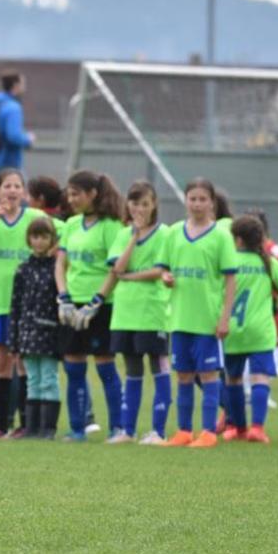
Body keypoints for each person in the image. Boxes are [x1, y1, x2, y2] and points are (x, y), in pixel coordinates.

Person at [155, 177, 238, 448]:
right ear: (186, 200)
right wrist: (166, 277)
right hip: (179, 318)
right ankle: (183, 431)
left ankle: (209, 432)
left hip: (207, 320)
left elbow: (230, 280)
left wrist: (225, 317)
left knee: (209, 374)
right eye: (193, 198)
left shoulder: (221, 236)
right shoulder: (174, 232)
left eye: (203, 199)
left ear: (212, 202)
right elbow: (164, 269)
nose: (197, 204)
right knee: (184, 376)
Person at [0, 169, 45, 438]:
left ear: (24, 192)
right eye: (7, 186)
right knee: (2, 361)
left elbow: (57, 240)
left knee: (24, 361)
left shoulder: (36, 218)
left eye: (17, 186)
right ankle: (0, 424)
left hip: (29, 304)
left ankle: (26, 424)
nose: (12, 191)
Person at [55, 171, 125, 442]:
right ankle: (77, 429)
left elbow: (115, 268)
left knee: (105, 365)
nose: (71, 199)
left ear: (92, 194)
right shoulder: (71, 224)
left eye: (76, 194)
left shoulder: (111, 226)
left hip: (101, 306)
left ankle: (117, 428)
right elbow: (60, 263)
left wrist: (97, 300)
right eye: (69, 194)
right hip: (73, 304)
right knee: (73, 366)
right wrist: (64, 297)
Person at [102, 181, 172, 445]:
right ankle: (127, 430)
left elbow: (159, 269)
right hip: (125, 312)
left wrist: (131, 276)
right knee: (132, 368)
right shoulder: (123, 234)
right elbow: (117, 269)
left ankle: (158, 431)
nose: (139, 208)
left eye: (145, 203)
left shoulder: (164, 234)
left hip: (152, 310)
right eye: (134, 203)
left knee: (158, 365)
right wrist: (134, 236)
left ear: (154, 204)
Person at [222, 215, 278, 444]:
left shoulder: (228, 260)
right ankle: (257, 429)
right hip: (261, 331)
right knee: (260, 378)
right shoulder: (270, 264)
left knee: (232, 380)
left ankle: (238, 428)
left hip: (232, 329)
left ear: (238, 240)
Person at [8, 218, 62, 439]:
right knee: (32, 380)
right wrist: (14, 340)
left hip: (49, 334)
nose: (39, 242)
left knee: (49, 379)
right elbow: (15, 306)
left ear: (52, 240)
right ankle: (32, 427)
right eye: (36, 237)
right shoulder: (23, 270)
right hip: (27, 334)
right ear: (29, 239)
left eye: (44, 237)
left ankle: (48, 428)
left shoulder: (56, 269)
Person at [0, 69, 35, 194]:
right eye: (22, 84)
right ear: (15, 85)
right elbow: (13, 136)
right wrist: (28, 139)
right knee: (21, 196)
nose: (24, 88)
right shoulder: (12, 107)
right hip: (8, 161)